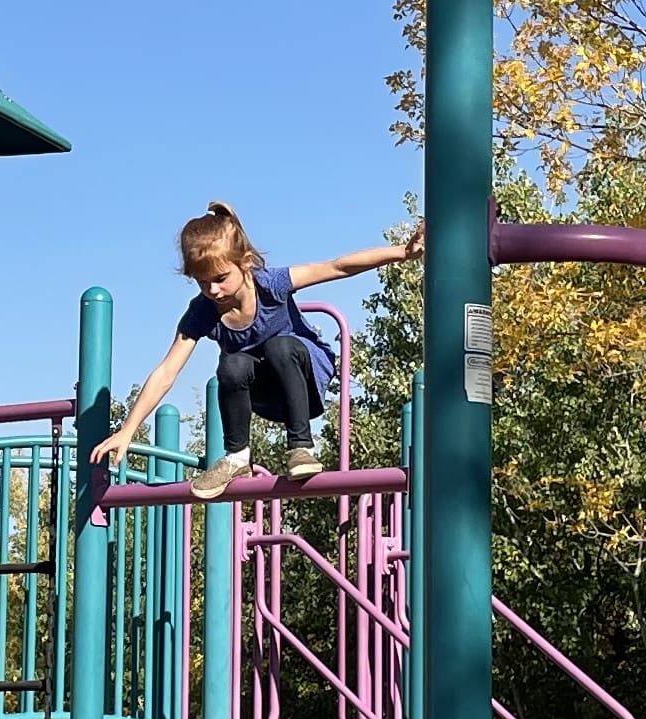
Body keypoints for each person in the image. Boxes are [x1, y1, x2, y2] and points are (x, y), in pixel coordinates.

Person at [91, 201, 421, 501]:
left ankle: (301, 447)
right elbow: (167, 371)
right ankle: (237, 457)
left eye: (220, 278)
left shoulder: (271, 284)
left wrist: (403, 253)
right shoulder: (202, 311)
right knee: (230, 365)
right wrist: (128, 429)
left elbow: (337, 267)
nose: (213, 290)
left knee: (278, 346)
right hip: (265, 393)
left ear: (245, 263)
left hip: (305, 375)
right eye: (202, 283)